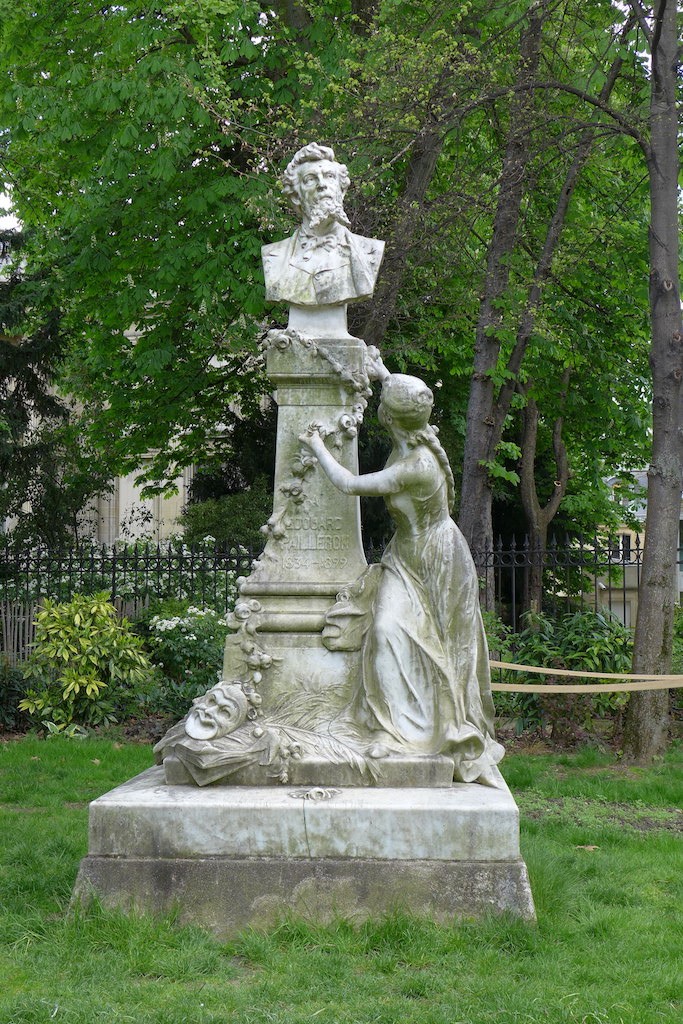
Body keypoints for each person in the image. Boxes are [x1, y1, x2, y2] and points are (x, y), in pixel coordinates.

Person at [299, 373, 504, 785]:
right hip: (404, 556)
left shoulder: (417, 466)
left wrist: (317, 445)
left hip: (438, 563)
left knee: (436, 648)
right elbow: (404, 391)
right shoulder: (412, 433)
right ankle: (389, 728)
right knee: (386, 629)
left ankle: (422, 731)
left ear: (388, 419)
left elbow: (350, 484)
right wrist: (379, 372)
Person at [262, 143, 384, 307]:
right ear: (297, 196)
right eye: (310, 179)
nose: (322, 184)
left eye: (329, 176)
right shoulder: (273, 255)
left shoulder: (370, 251)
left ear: (342, 191)